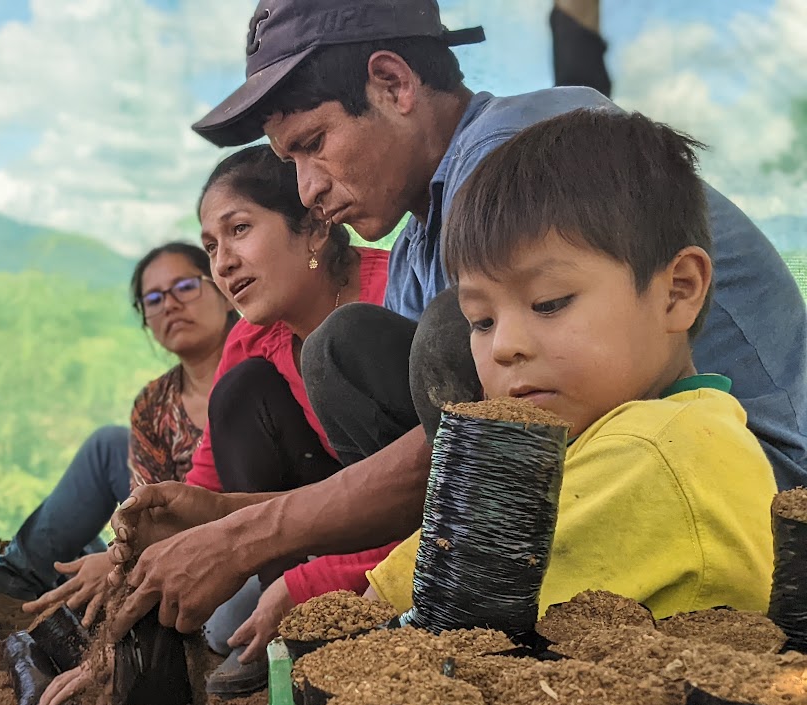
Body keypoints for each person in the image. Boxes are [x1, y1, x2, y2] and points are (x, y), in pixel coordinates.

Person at [105, 0, 807, 642]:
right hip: (598, 465)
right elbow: (431, 449)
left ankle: (466, 616)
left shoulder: (525, 163)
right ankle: (459, 601)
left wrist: (248, 540)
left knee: (437, 339)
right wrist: (228, 512)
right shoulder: (418, 240)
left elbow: (473, 440)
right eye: (291, 162)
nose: (308, 189)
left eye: (314, 143)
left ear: (394, 85)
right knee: (345, 353)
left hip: (743, 492)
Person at [369, 108, 775, 617]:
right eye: (481, 320)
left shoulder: (652, 451)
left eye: (550, 302)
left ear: (676, 292)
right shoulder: (653, 426)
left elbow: (427, 606)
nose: (504, 348)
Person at [36, 145, 394, 705]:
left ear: (314, 228)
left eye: (240, 229)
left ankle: (319, 613)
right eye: (211, 246)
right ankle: (290, 629)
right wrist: (117, 604)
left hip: (408, 526)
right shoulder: (251, 340)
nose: (223, 263)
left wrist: (311, 584)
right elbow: (201, 495)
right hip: (323, 517)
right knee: (242, 391)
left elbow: (439, 491)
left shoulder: (395, 299)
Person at [0, 243, 235, 602]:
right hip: (171, 529)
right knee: (108, 445)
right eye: (154, 299)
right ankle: (12, 584)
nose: (171, 305)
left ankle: (86, 562)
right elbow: (147, 508)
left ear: (225, 294)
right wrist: (126, 551)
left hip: (242, 534)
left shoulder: (256, 371)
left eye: (185, 287)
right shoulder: (154, 402)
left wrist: (121, 560)